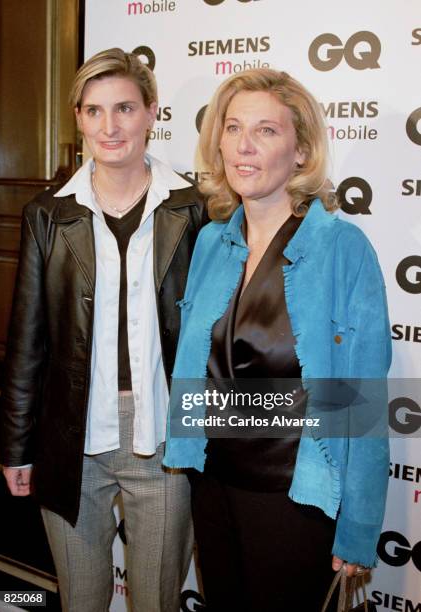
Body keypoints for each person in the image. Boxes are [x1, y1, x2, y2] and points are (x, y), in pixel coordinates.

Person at [164, 68, 391, 611]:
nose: (244, 146)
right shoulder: (212, 242)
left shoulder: (343, 248)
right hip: (213, 486)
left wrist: (358, 526)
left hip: (297, 501)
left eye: (266, 130)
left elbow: (360, 401)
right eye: (233, 127)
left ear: (301, 150)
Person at [1, 48, 207, 612]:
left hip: (162, 436)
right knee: (81, 599)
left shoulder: (194, 210)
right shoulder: (49, 214)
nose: (109, 126)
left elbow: (209, 337)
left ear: (151, 113)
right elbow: (27, 339)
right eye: (93, 111)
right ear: (78, 118)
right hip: (70, 435)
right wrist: (16, 447)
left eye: (124, 108)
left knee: (157, 601)